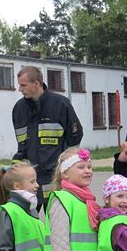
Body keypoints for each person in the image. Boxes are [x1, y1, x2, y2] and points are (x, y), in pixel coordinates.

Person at [12, 66, 83, 209]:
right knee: (27, 218)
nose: (20, 89)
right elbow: (21, 143)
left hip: (53, 175)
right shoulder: (19, 109)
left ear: (36, 84)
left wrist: (63, 163)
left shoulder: (60, 104)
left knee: (55, 215)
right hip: (29, 177)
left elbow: (75, 136)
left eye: (23, 85)